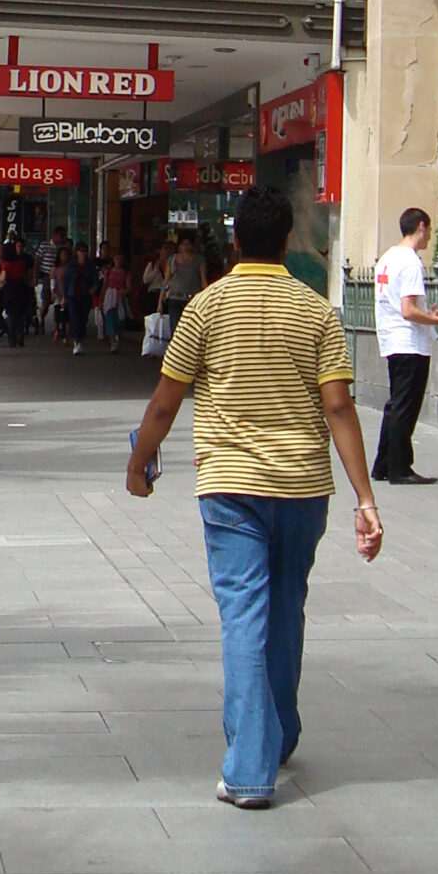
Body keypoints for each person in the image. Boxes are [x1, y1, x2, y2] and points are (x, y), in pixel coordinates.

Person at [126, 185, 383, 806]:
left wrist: (139, 464)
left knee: (244, 613)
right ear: (288, 242)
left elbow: (166, 401)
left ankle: (248, 767)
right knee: (286, 604)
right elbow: (340, 405)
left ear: (236, 241)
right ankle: (280, 730)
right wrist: (366, 498)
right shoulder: (316, 310)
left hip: (231, 488)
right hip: (302, 487)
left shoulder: (207, 308)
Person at [370, 208, 438, 484]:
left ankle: (384, 463)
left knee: (396, 403)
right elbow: (409, 310)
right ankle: (400, 468)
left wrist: (430, 314)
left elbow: (400, 305)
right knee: (406, 406)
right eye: (430, 231)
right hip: (410, 342)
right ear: (422, 227)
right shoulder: (411, 262)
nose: (430, 237)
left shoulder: (387, 259)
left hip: (392, 338)